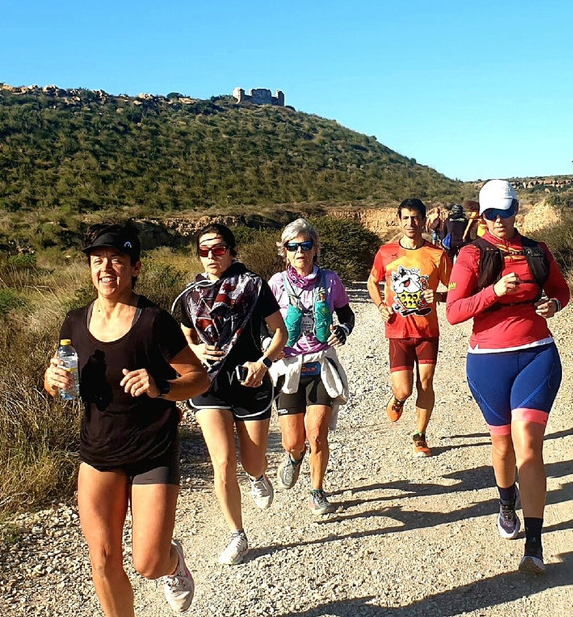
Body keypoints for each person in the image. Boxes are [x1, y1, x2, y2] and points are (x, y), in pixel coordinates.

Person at [44, 223, 210, 617]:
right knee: (101, 558)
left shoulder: (153, 322)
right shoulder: (74, 322)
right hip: (98, 452)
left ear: (135, 267)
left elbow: (199, 380)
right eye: (98, 259)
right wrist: (51, 381)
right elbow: (60, 378)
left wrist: (161, 387)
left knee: (147, 563)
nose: (106, 267)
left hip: (152, 450)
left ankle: (172, 562)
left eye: (117, 258)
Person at [446, 180, 570, 575]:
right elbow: (454, 312)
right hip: (488, 362)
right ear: (482, 216)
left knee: (529, 447)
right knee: (503, 449)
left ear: (517, 209)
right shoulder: (471, 255)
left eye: (506, 211)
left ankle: (534, 545)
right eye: (491, 214)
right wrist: (495, 291)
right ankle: (505, 502)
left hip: (537, 354)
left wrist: (553, 304)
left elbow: (562, 292)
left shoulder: (536, 250)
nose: (500, 220)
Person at [175, 224, 288, 565]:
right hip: (209, 386)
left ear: (232, 251)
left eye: (218, 248)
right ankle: (237, 535)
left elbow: (280, 332)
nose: (211, 255)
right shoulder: (191, 294)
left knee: (252, 460)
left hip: (250, 384)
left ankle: (258, 476)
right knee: (222, 462)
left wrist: (263, 363)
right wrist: (195, 354)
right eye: (204, 250)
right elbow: (185, 339)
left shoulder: (254, 286)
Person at [267, 218, 355, 516]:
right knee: (294, 441)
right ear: (285, 251)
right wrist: (269, 344)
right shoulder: (276, 284)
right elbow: (261, 324)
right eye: (293, 246)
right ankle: (293, 457)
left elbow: (346, 314)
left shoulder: (330, 281)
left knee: (317, 434)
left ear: (315, 249)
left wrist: (342, 329)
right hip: (289, 367)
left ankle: (317, 491)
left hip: (321, 363)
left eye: (306, 245)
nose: (300, 251)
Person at [367, 198, 453, 458]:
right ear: (399, 219)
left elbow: (456, 290)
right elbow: (373, 282)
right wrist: (380, 304)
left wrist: (437, 297)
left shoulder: (438, 255)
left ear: (424, 220)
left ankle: (420, 435)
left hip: (427, 331)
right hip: (398, 331)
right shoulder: (386, 252)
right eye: (405, 217)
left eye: (415, 217)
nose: (410, 223)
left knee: (425, 383)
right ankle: (398, 399)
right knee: (404, 389)